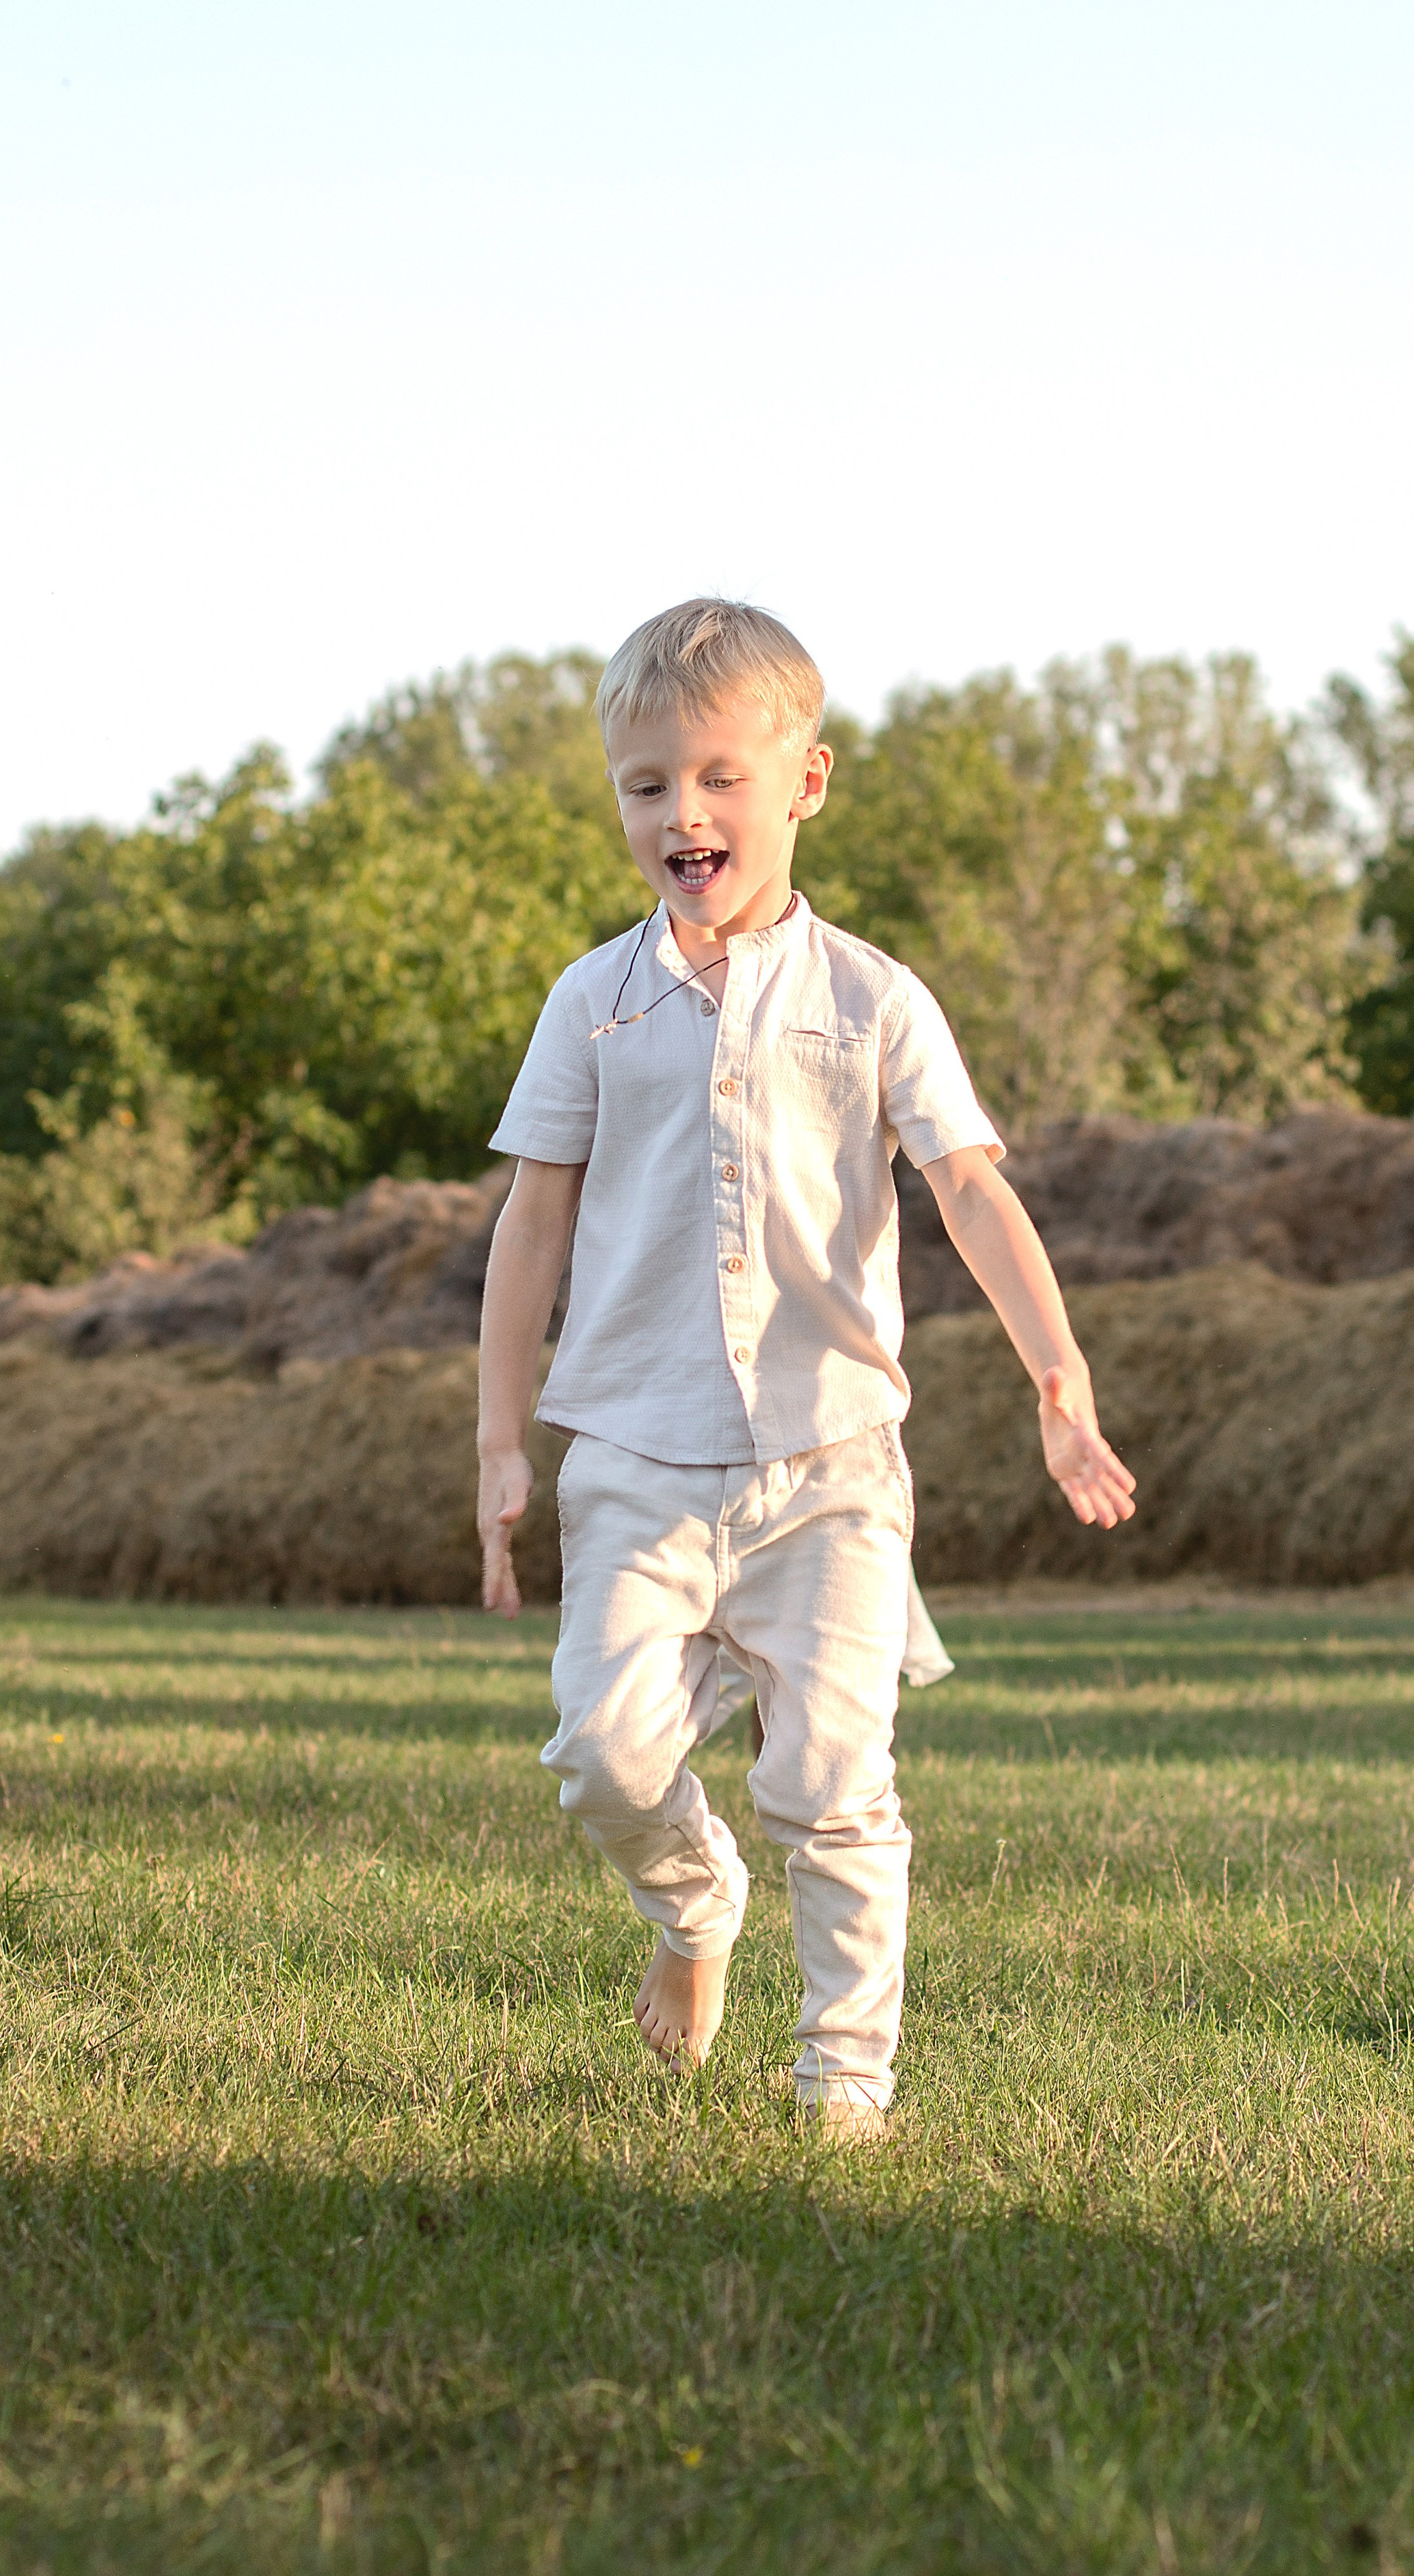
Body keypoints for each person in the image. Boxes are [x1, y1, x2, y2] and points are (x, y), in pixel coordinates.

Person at [476, 599, 1134, 2138]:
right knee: (602, 1754)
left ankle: (844, 2078)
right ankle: (694, 1902)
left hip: (829, 1460)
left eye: (719, 776)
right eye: (647, 785)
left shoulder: (872, 998)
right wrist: (502, 1433)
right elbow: (532, 1220)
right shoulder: (591, 1002)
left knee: (831, 1782)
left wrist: (1059, 1382)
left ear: (805, 783)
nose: (683, 814)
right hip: (633, 1452)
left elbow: (968, 1188)